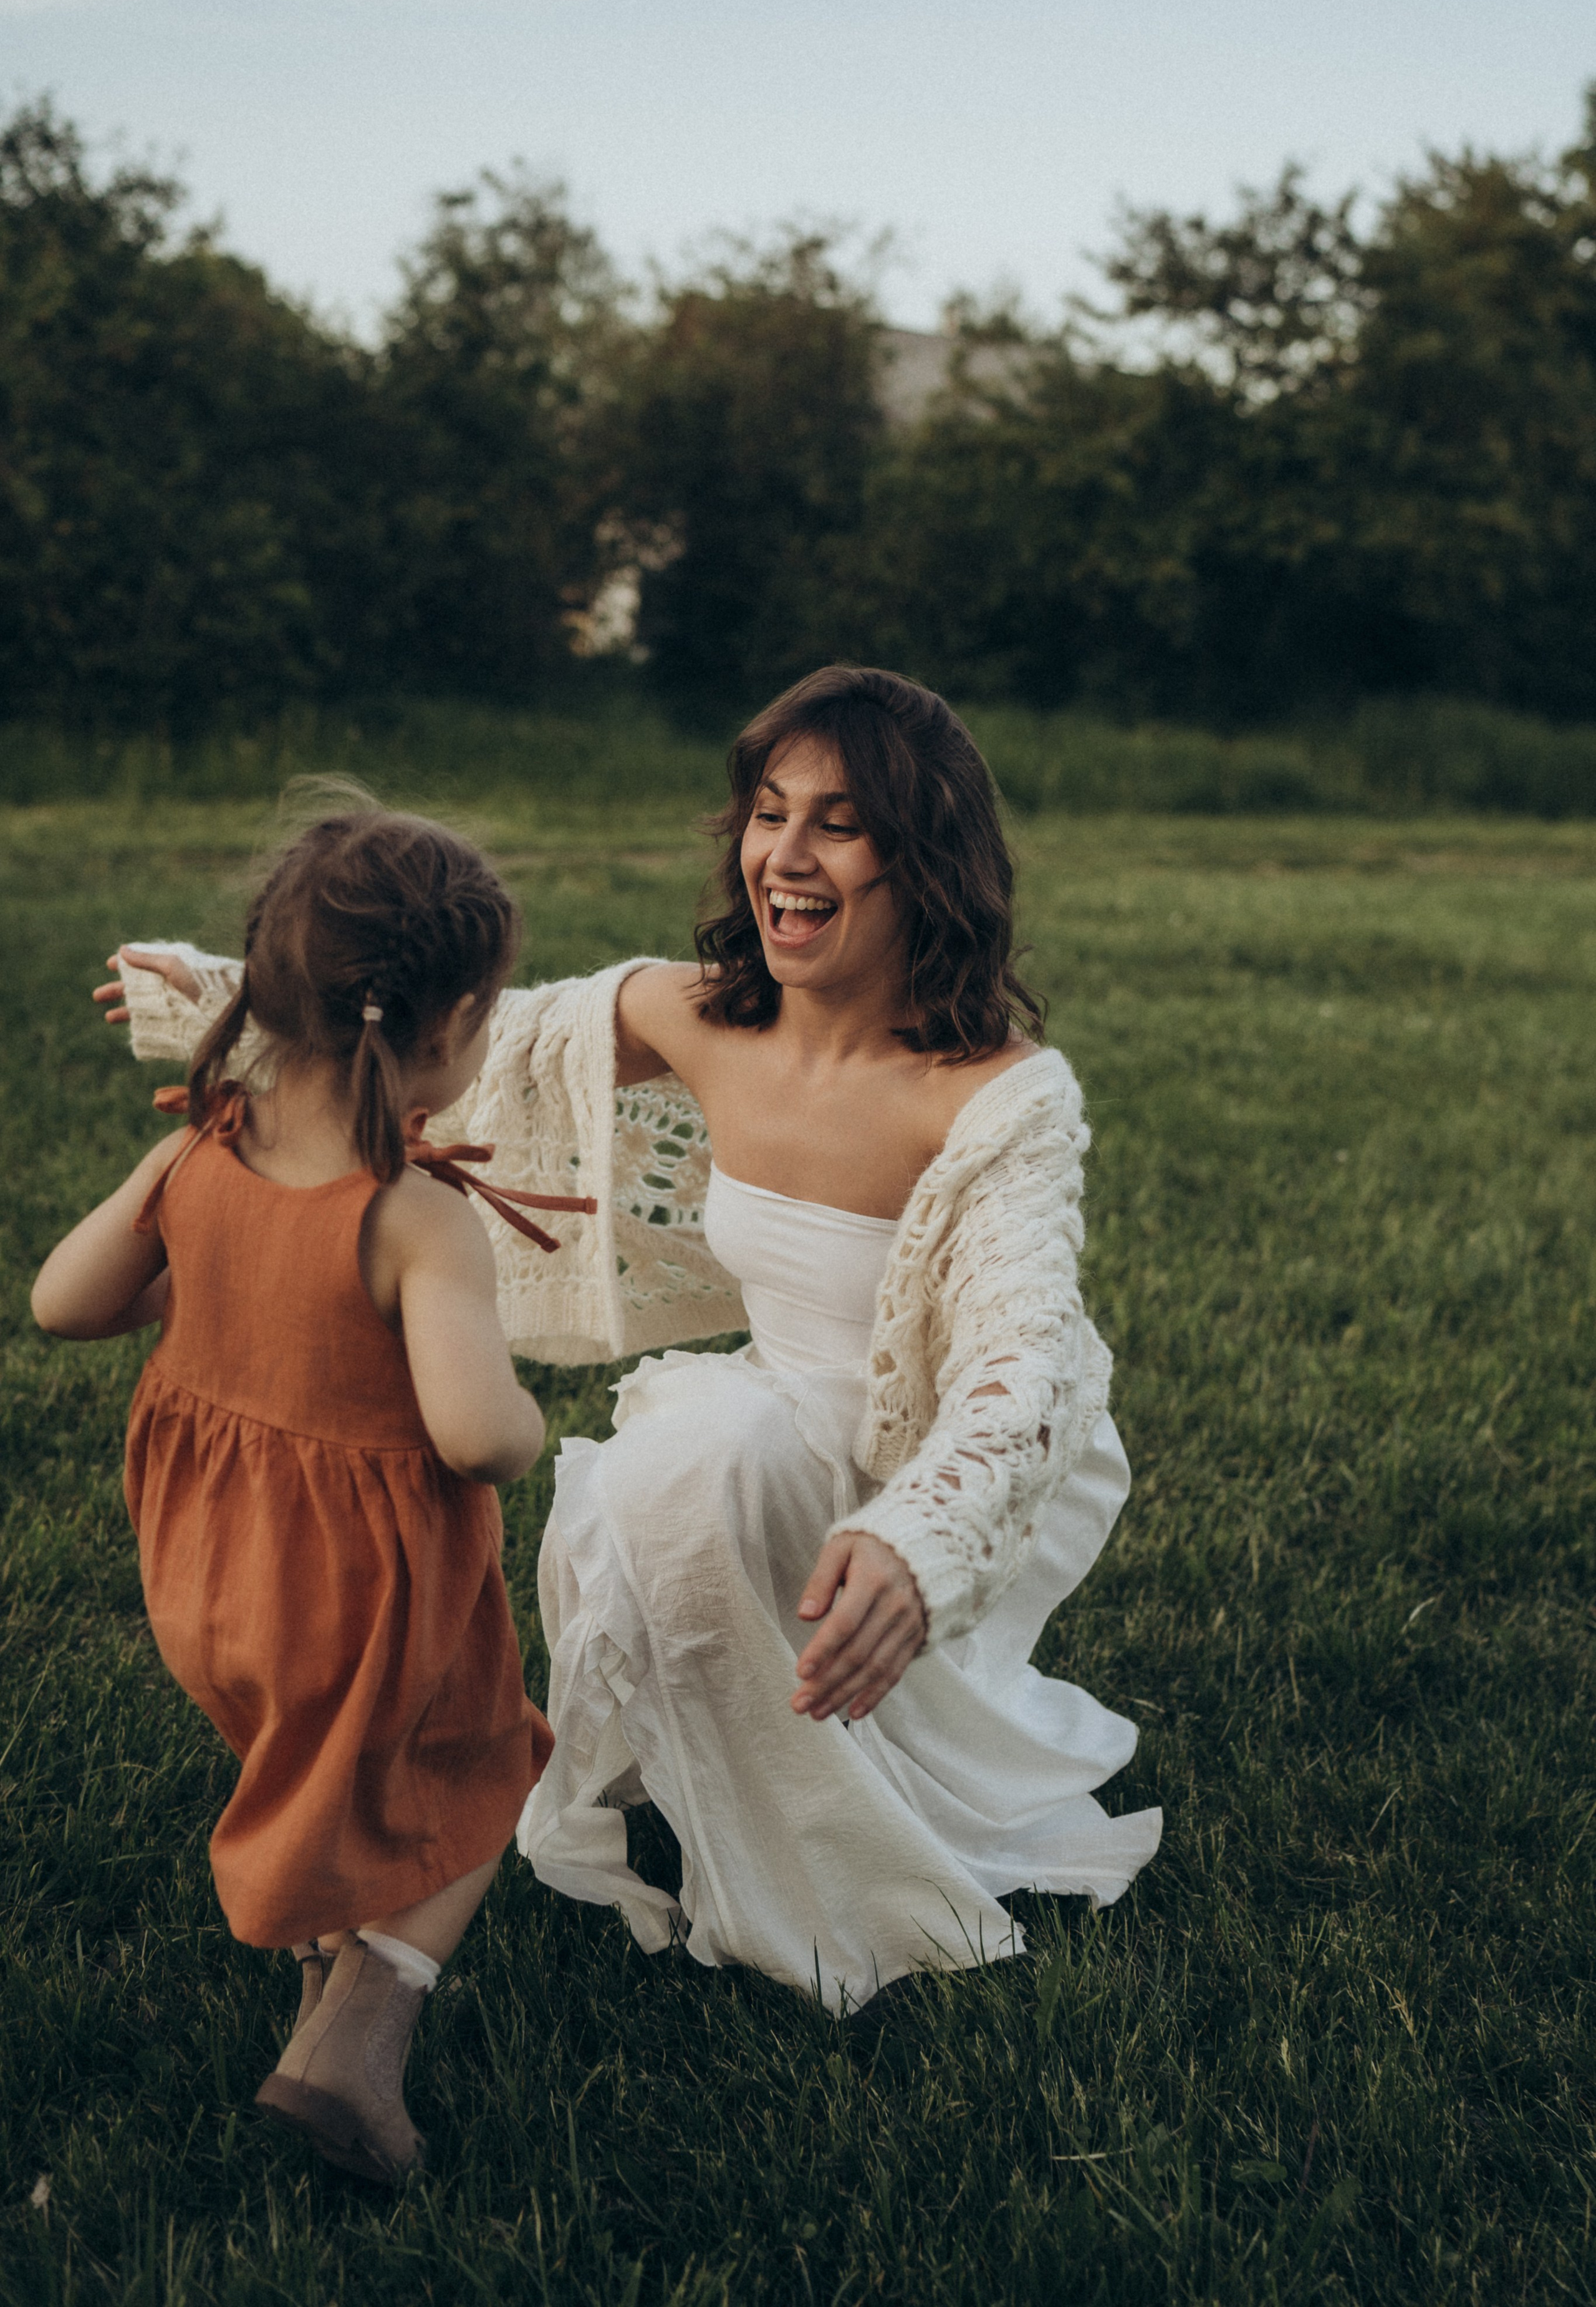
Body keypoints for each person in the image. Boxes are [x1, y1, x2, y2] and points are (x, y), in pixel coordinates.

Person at [100, 667, 1161, 2018]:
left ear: (923, 857)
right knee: (694, 1458)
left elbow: (1022, 1357)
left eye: (836, 823)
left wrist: (922, 1536)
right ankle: (743, 1750)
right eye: (767, 811)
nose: (783, 854)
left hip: (940, 1457)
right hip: (774, 1424)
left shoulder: (1001, 1095)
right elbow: (458, 1036)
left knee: (702, 1459)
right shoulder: (696, 1016)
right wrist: (227, 1007)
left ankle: (846, 1830)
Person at [42, 804, 562, 2180]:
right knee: (486, 1761)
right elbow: (468, 1433)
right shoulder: (412, 1216)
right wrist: (524, 1425)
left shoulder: (201, 1150)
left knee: (333, 1768)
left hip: (210, 1581)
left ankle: (329, 1955)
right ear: (448, 1026)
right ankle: (363, 2032)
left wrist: (190, 1260)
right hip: (364, 1597)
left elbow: (60, 1302)